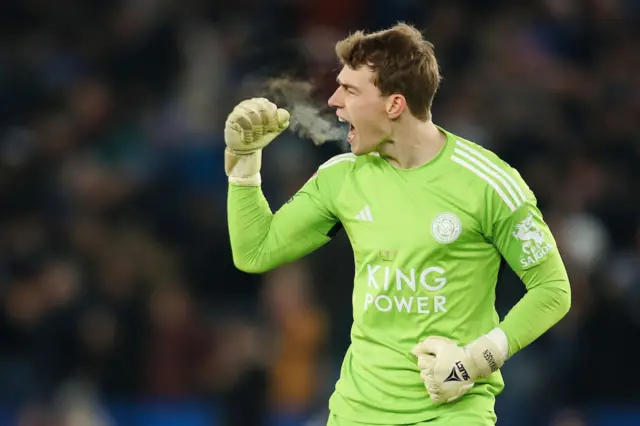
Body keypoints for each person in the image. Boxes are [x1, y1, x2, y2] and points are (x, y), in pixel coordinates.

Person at [223, 23, 571, 426]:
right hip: (355, 414)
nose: (334, 101)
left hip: (450, 415)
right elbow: (255, 251)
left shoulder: (487, 182)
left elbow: (552, 289)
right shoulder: (342, 178)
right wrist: (244, 168)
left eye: (350, 90)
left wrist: (475, 361)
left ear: (394, 105)